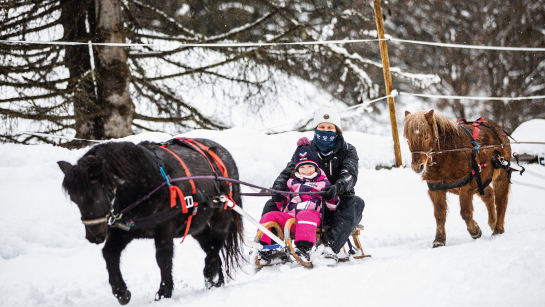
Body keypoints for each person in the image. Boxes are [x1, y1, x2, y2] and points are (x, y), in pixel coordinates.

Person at [262, 102, 365, 266]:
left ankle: (328, 248)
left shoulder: (347, 150)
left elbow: (350, 174)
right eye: (322, 126)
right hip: (306, 204)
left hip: (336, 205)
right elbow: (288, 171)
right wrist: (278, 188)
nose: (325, 131)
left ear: (337, 130)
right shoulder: (306, 149)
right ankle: (271, 248)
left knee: (355, 203)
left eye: (330, 128)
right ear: (316, 128)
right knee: (271, 203)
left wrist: (337, 187)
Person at [257, 144, 339, 263]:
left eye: (310, 166)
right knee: (270, 215)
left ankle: (303, 248)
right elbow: (283, 204)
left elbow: (333, 205)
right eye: (302, 167)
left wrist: (331, 196)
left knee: (305, 214)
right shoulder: (291, 183)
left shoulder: (323, 183)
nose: (306, 170)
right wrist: (278, 197)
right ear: (297, 169)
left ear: (316, 167)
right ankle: (265, 247)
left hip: (311, 218)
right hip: (290, 218)